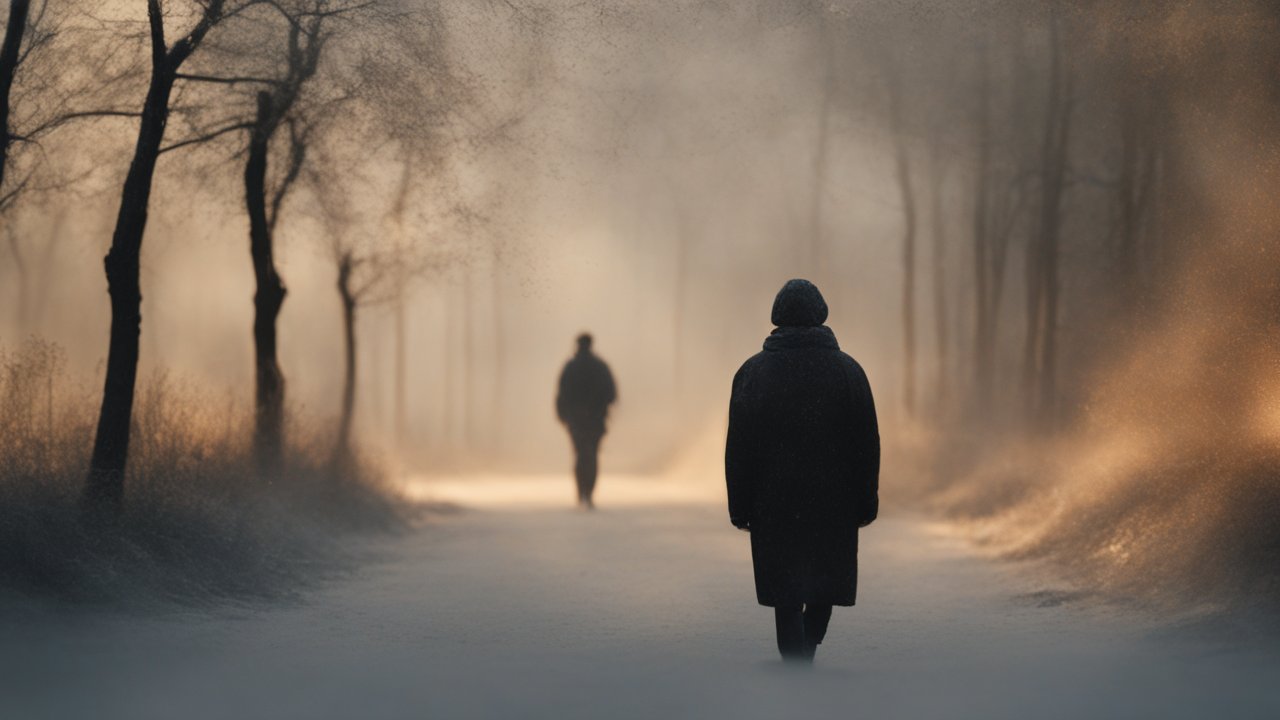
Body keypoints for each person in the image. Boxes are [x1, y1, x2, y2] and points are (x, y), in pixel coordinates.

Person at [725, 279, 880, 664]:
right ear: (821, 314)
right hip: (834, 498)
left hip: (774, 499)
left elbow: (739, 447)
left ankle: (795, 661)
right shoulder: (849, 372)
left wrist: (740, 505)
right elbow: (866, 444)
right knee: (826, 578)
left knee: (785, 587)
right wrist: (865, 500)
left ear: (777, 316)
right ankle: (808, 645)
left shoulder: (752, 373)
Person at [556, 333, 617, 508]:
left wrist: (563, 416)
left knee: (580, 454)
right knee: (592, 455)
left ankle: (581, 491)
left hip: (576, 420)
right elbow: (612, 395)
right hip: (596, 420)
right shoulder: (600, 367)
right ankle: (588, 493)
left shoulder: (570, 367)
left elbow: (561, 395)